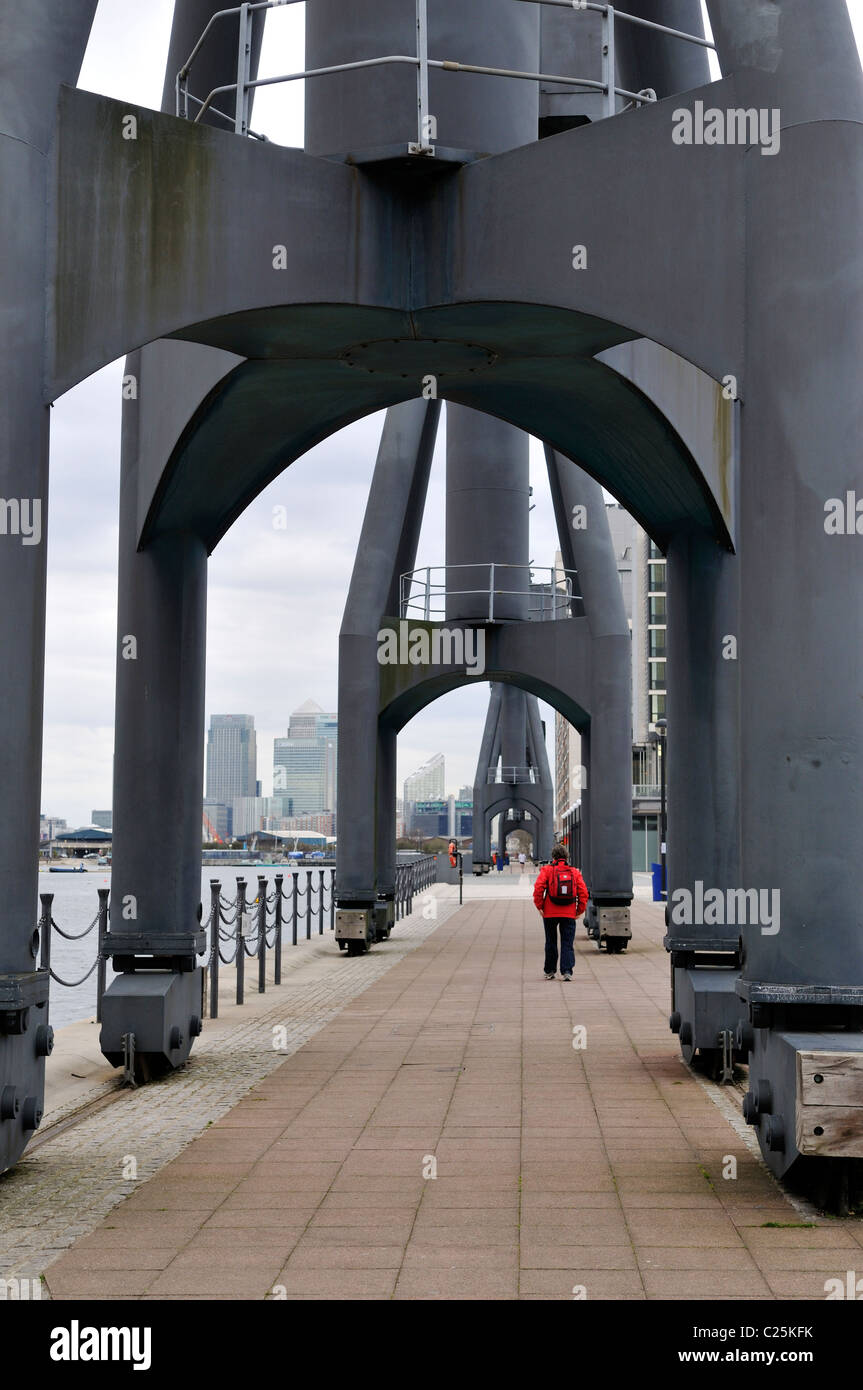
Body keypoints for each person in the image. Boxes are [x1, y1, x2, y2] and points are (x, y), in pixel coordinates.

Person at [533, 846, 589, 982]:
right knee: (567, 942)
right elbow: (583, 893)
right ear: (567, 857)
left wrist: (540, 906)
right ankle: (567, 971)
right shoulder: (574, 872)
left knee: (551, 941)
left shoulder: (547, 870)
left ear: (553, 857)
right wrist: (579, 911)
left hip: (550, 912)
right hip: (569, 913)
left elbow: (538, 888)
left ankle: (550, 971)